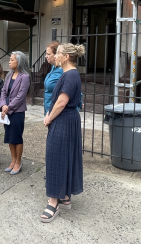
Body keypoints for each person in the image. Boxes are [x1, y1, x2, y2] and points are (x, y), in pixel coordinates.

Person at [41, 43, 85, 223]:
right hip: (67, 120)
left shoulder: (70, 75)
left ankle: (53, 202)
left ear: (66, 57)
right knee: (65, 157)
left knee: (55, 158)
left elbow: (61, 101)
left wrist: (49, 117)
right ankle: (64, 196)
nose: (55, 56)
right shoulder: (70, 74)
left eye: (58, 53)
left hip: (63, 120)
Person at [0, 51, 30, 175]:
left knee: (16, 137)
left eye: (12, 60)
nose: (10, 62)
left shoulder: (25, 77)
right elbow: (3, 92)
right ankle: (13, 160)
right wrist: (3, 105)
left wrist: (8, 107)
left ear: (19, 62)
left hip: (17, 112)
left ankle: (18, 161)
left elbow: (20, 96)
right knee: (9, 137)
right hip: (6, 110)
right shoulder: (9, 75)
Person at [43, 41, 62, 116]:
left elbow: (70, 86)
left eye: (48, 54)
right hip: (49, 108)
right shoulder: (53, 67)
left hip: (57, 112)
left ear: (56, 55)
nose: (46, 56)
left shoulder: (63, 70)